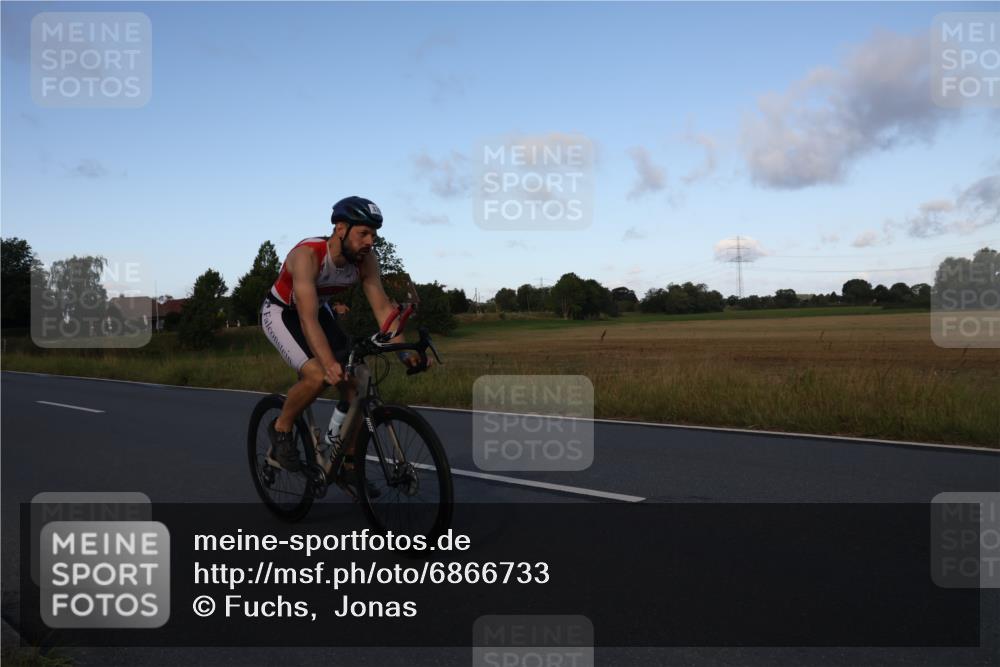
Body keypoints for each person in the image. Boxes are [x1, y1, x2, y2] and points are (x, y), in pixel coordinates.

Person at [260, 196, 417, 477]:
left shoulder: (366, 260)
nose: (371, 241)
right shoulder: (308, 255)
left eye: (374, 234)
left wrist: (405, 351)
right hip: (283, 313)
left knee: (357, 382)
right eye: (364, 233)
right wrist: (329, 362)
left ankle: (344, 463)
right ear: (341, 229)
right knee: (319, 375)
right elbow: (306, 320)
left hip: (318, 312)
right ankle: (281, 427)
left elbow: (382, 308)